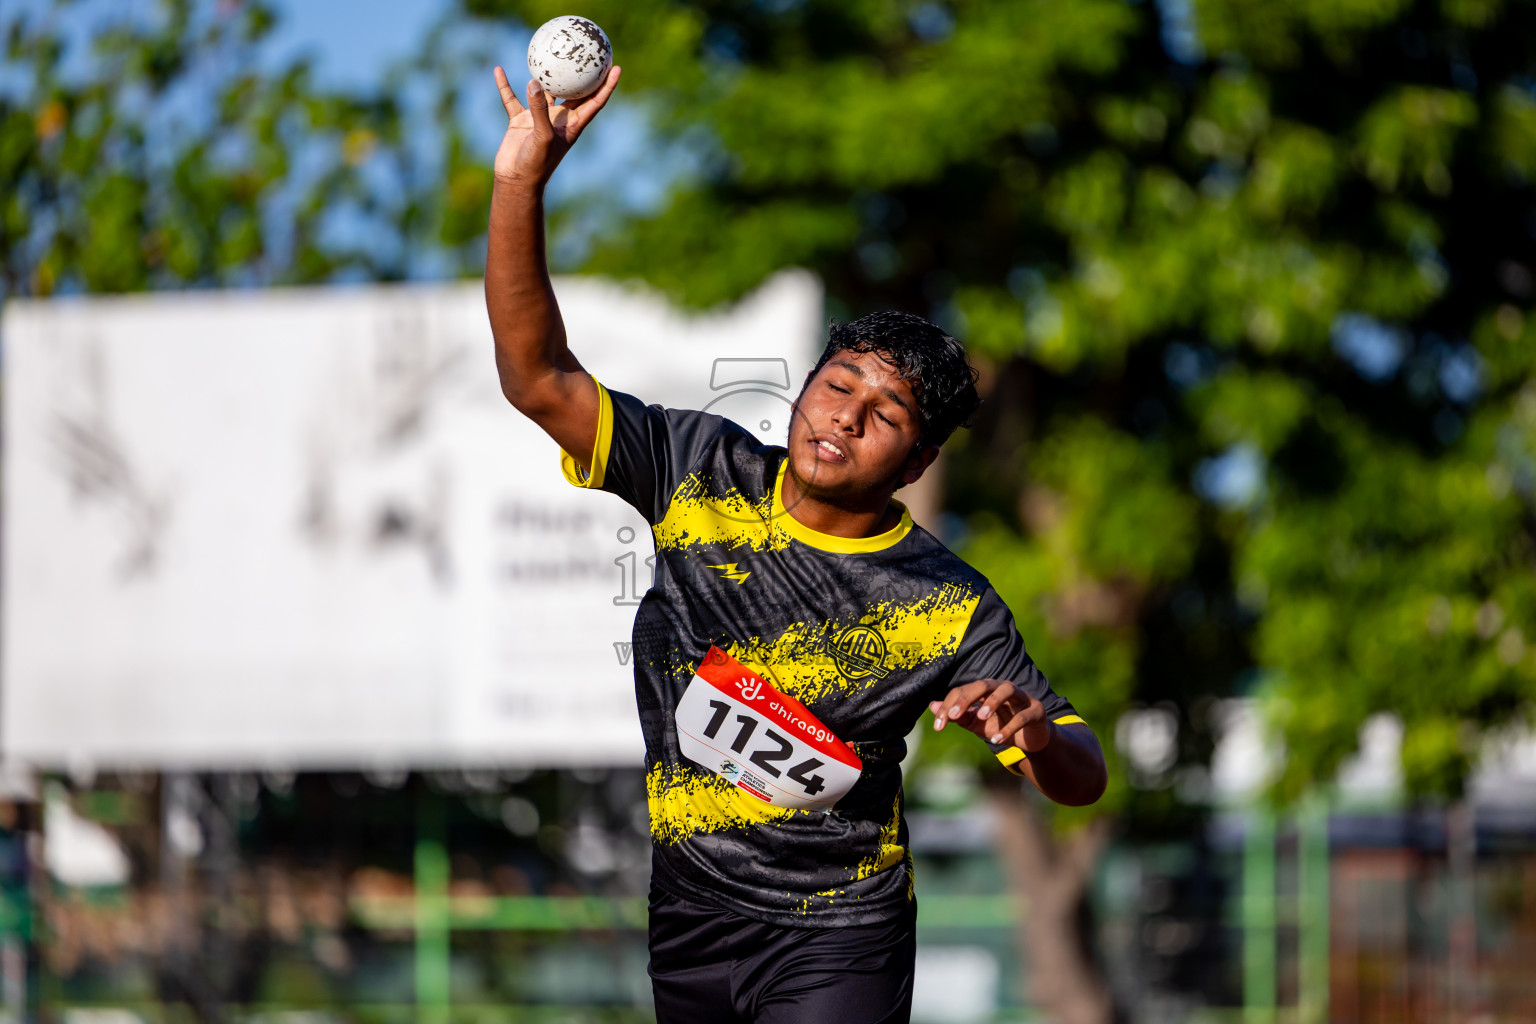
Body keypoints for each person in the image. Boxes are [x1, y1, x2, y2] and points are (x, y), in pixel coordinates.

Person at [486, 63, 1108, 1024]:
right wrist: (520, 183)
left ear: (918, 463)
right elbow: (537, 377)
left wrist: (1031, 729)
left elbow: (1079, 770)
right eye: (838, 383)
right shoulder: (696, 466)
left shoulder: (947, 603)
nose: (845, 417)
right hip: (688, 915)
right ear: (803, 386)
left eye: (886, 412)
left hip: (841, 934)